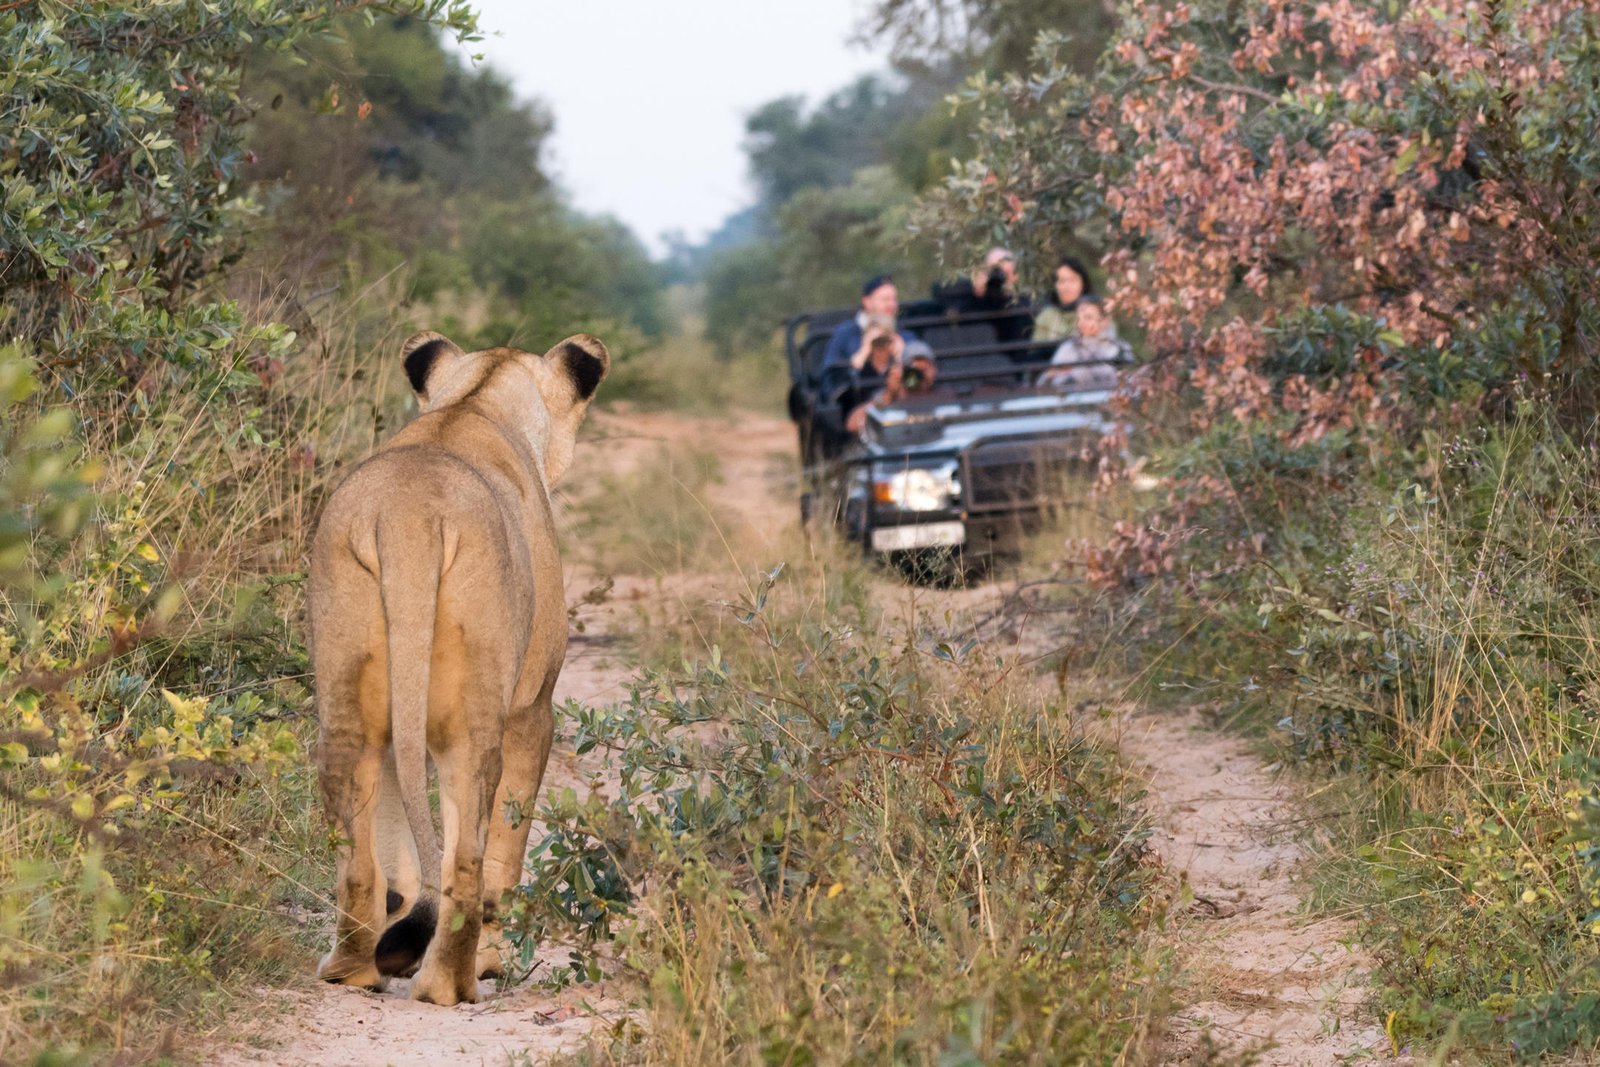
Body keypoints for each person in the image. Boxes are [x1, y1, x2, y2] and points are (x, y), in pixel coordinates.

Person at [933, 247, 1033, 343]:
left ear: (1015, 276)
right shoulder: (972, 300)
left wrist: (1004, 297)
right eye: (992, 271)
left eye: (1004, 273)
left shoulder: (1024, 303)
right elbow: (940, 292)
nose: (997, 278)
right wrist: (975, 291)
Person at [822, 274, 918, 373]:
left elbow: (922, 382)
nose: (892, 305)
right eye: (885, 299)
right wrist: (863, 354)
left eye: (894, 299)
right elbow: (830, 382)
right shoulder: (844, 335)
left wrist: (903, 355)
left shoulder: (906, 336)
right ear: (867, 302)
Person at [845, 339, 939, 434]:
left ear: (934, 369)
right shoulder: (888, 398)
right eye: (913, 371)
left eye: (924, 369)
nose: (918, 375)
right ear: (903, 372)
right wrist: (889, 395)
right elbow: (853, 425)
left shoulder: (945, 397)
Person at [1037, 295, 1131, 389]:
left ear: (1104, 321)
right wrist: (1056, 375)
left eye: (1088, 317)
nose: (1081, 323)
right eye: (1079, 318)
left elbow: (1128, 381)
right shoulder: (1068, 348)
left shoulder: (1120, 348)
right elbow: (1043, 384)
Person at [1032, 256, 1095, 343]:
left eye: (1072, 280)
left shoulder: (1097, 314)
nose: (1067, 286)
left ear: (1083, 283)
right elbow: (1036, 353)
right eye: (1061, 281)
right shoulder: (1046, 316)